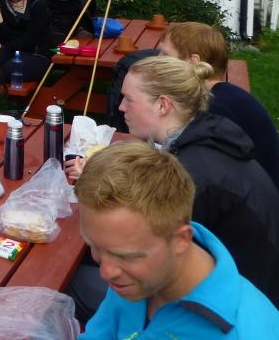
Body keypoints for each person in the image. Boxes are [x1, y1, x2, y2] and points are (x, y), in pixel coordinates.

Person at [67, 55, 279, 308]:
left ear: (162, 105)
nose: (121, 107)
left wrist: (92, 187)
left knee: (69, 277)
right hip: (242, 281)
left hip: (229, 302)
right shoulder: (206, 135)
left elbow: (140, 243)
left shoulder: (192, 173)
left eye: (129, 99)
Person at [76, 141, 279, 339]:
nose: (106, 272)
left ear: (181, 240)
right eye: (95, 246)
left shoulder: (242, 332)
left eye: (127, 257)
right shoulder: (131, 273)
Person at [158, 21, 279, 188]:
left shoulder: (216, 109)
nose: (157, 60)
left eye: (165, 55)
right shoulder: (221, 95)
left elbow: (201, 173)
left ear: (193, 61)